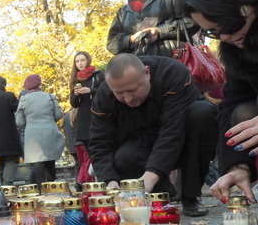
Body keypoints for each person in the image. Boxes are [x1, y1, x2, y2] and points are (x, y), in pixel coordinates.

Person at [88, 54, 218, 216]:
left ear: (147, 73)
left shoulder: (173, 73)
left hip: (182, 133)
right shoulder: (103, 95)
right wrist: (109, 181)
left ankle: (190, 195)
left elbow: (172, 132)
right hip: (140, 139)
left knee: (202, 113)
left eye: (132, 90)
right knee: (124, 158)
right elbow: (99, 142)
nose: (128, 99)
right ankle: (159, 196)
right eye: (119, 93)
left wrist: (150, 176)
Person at [179, 0, 258, 203]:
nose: (224, 37)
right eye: (213, 32)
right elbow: (233, 102)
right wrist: (237, 166)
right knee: (244, 111)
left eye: (226, 24)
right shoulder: (239, 46)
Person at [15, 74, 65, 182]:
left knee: (37, 165)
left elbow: (19, 122)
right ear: (39, 84)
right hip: (50, 133)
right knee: (50, 162)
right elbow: (58, 115)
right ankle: (51, 187)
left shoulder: (24, 99)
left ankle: (40, 188)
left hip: (32, 137)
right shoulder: (50, 97)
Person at [69, 51, 104, 184]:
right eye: (77, 61)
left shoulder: (97, 75)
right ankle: (95, 182)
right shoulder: (76, 79)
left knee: (99, 150)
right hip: (83, 120)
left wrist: (90, 91)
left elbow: (105, 92)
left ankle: (102, 179)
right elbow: (73, 104)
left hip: (96, 116)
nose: (80, 63)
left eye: (82, 60)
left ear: (88, 60)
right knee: (89, 152)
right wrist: (76, 94)